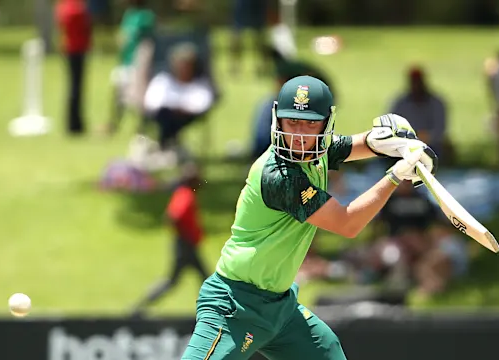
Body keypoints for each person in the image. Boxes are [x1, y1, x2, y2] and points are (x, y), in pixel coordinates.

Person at [180, 75, 438, 360]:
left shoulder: (317, 151)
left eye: (310, 124)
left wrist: (396, 142)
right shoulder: (279, 176)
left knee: (328, 352)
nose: (300, 136)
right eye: (292, 122)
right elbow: (347, 224)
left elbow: (359, 144)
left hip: (280, 308)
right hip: (236, 305)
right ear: (277, 120)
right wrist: (395, 176)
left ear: (326, 124)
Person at [132, 164, 209, 317]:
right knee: (201, 280)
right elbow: (174, 216)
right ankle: (139, 308)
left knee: (198, 279)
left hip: (186, 244)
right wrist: (186, 236)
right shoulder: (186, 195)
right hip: (186, 245)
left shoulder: (183, 193)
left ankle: (139, 308)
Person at [143, 42, 214, 150]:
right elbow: (152, 102)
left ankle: (166, 146)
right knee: (166, 117)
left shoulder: (200, 85)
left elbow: (203, 104)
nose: (183, 68)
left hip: (188, 116)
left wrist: (182, 109)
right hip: (163, 115)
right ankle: (169, 145)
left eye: (187, 65)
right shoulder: (163, 81)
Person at [106, 0, 155, 134]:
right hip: (126, 60)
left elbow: (148, 41)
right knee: (118, 94)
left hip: (138, 62)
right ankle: (114, 124)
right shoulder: (129, 14)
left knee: (138, 96)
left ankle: (142, 125)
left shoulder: (146, 17)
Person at [56, 0, 93, 135]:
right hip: (78, 49)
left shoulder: (63, 7)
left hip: (69, 48)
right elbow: (86, 26)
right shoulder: (79, 8)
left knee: (73, 86)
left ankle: (72, 123)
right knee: (77, 87)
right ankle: (75, 124)